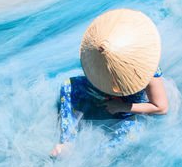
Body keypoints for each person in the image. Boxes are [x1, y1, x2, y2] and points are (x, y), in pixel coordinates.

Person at [50, 9, 169, 157]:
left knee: (129, 133)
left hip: (131, 108)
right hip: (105, 92)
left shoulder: (146, 68)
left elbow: (161, 107)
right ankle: (68, 141)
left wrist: (121, 106)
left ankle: (90, 158)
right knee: (69, 85)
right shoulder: (99, 53)